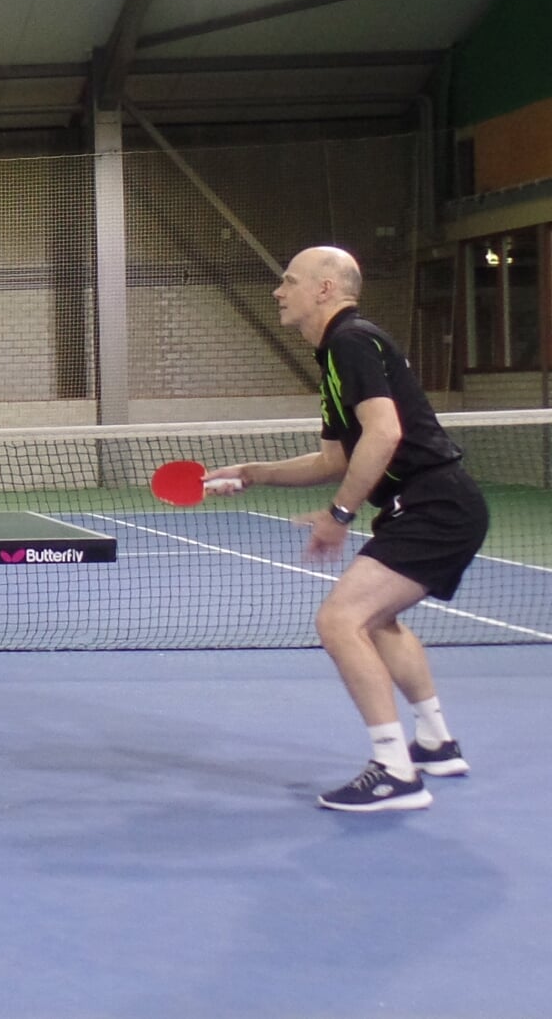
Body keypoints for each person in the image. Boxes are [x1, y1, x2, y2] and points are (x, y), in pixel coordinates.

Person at [208, 246, 485, 813]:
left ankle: (394, 772)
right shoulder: (338, 355)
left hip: (434, 503)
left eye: (289, 281)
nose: (279, 292)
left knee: (340, 619)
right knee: (378, 620)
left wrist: (338, 517)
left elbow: (383, 435)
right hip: (435, 503)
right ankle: (435, 742)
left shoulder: (349, 341)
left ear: (326, 289)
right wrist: (253, 473)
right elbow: (334, 459)